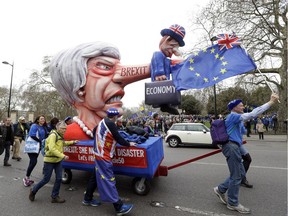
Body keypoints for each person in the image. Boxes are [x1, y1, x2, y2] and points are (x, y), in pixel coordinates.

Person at [49, 42, 152, 141]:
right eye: (104, 67)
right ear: (78, 87)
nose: (121, 79)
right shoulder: (68, 135)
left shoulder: (110, 131)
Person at [213, 93, 279, 214]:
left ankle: (220, 189)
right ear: (234, 107)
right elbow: (253, 113)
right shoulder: (232, 116)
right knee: (236, 175)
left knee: (239, 173)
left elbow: (242, 130)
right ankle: (232, 203)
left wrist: (242, 122)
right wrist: (271, 102)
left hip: (235, 146)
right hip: (231, 147)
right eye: (240, 105)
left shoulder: (237, 118)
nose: (243, 106)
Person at [93, 108, 136, 215]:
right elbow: (119, 138)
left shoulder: (102, 121)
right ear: (116, 116)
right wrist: (128, 144)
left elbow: (94, 131)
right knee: (109, 179)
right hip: (104, 155)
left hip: (98, 153)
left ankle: (87, 198)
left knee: (96, 176)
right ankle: (119, 207)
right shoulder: (111, 124)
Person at [29, 121, 78, 203]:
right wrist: (63, 156)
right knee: (46, 179)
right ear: (58, 128)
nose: (64, 131)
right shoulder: (53, 135)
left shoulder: (60, 136)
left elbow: (63, 143)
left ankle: (54, 196)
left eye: (65, 129)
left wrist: (73, 142)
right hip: (50, 160)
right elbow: (52, 148)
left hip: (57, 160)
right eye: (63, 129)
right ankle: (33, 191)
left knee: (59, 178)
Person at [23, 115, 49, 187]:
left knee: (32, 162)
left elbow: (47, 134)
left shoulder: (44, 127)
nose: (43, 120)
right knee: (33, 161)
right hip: (32, 146)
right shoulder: (34, 126)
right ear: (38, 120)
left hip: (38, 147)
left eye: (44, 119)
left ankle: (27, 177)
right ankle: (26, 178)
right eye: (41, 119)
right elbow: (32, 135)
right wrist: (40, 141)